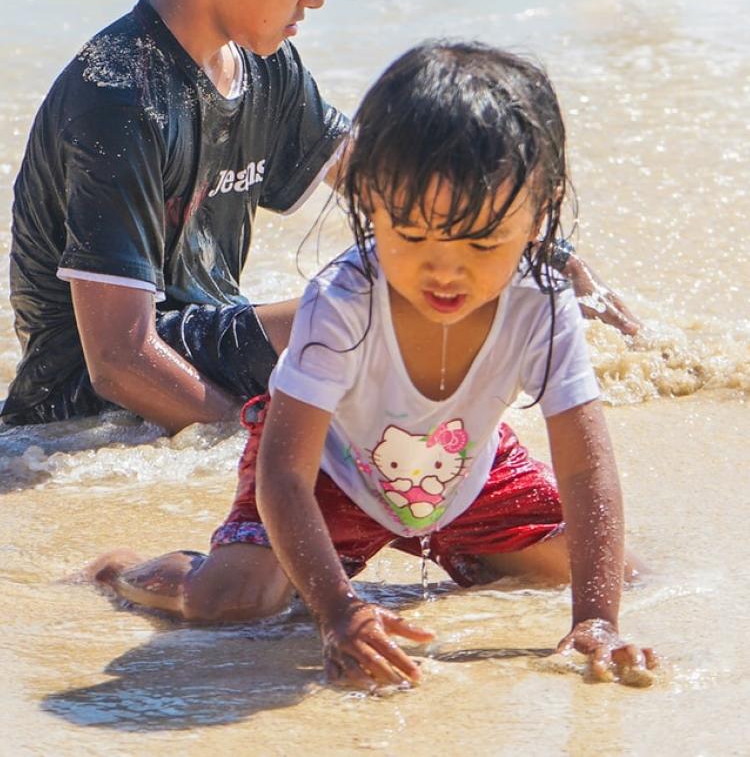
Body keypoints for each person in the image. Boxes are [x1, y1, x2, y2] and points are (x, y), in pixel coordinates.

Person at [2, 0, 637, 431]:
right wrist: (252, 444)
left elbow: (393, 183)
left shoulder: (265, 68)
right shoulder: (119, 97)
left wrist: (544, 255)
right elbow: (116, 361)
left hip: (211, 349)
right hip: (82, 406)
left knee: (439, 276)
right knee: (373, 299)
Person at [89, 42, 656, 689]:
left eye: (481, 241)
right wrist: (338, 613)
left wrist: (597, 619)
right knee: (231, 602)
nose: (445, 269)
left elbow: (588, 470)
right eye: (412, 235)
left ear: (540, 211)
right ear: (371, 202)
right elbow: (283, 473)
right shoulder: (344, 301)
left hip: (458, 460)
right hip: (329, 466)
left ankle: (461, 552)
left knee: (616, 569)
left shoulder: (542, 306)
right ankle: (126, 570)